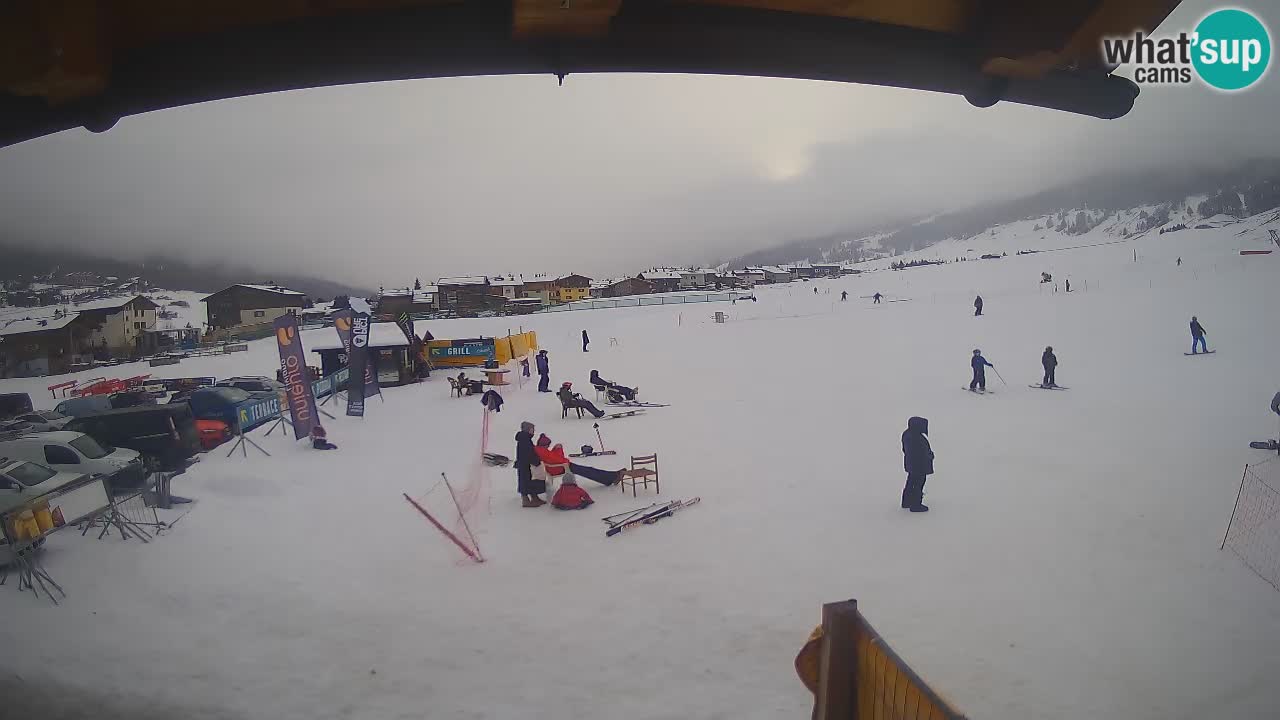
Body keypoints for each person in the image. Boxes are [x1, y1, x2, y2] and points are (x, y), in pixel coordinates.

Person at [534, 434, 625, 487]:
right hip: (561, 468)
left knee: (588, 470)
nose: (549, 447)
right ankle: (611, 477)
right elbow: (559, 460)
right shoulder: (543, 451)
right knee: (588, 470)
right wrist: (559, 449)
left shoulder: (540, 450)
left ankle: (609, 477)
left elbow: (553, 458)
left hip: (558, 467)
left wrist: (556, 449)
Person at [901, 416, 934, 513]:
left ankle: (906, 501)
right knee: (918, 483)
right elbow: (920, 453)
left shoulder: (907, 434)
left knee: (911, 481)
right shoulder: (917, 438)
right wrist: (929, 456)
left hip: (911, 464)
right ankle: (916, 504)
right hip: (919, 466)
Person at [514, 421, 545, 507]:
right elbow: (528, 453)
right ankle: (526, 500)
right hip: (525, 464)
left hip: (524, 463)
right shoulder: (525, 439)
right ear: (528, 430)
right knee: (525, 481)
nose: (534, 431)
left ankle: (534, 497)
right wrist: (536, 461)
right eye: (532, 429)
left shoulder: (525, 438)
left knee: (529, 481)